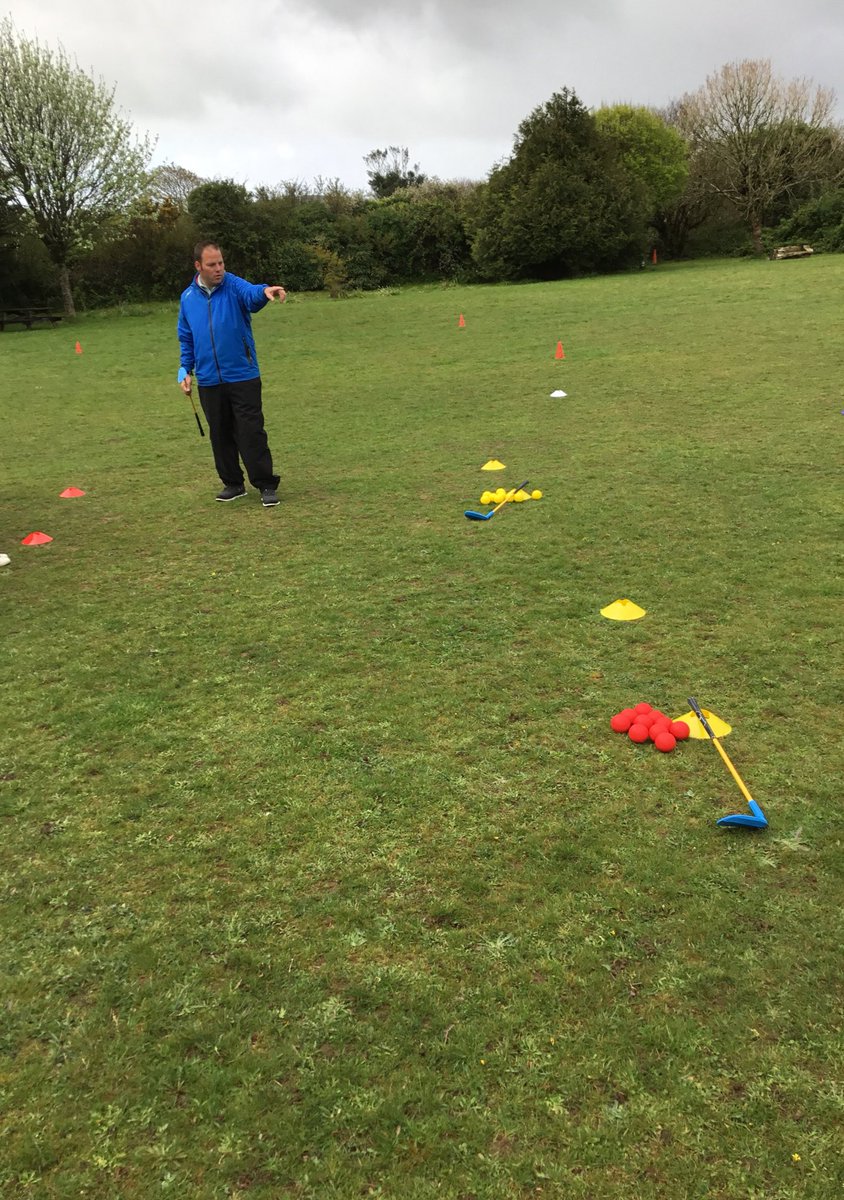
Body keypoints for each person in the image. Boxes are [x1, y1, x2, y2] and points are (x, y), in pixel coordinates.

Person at [177, 242, 286, 506]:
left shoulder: (234, 286)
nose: (219, 269)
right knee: (220, 433)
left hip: (242, 375)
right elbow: (187, 337)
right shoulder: (188, 298)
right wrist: (185, 369)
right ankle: (233, 484)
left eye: (221, 263)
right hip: (208, 379)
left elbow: (252, 294)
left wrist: (265, 292)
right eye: (212, 264)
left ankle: (265, 484)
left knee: (251, 432)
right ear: (198, 266)